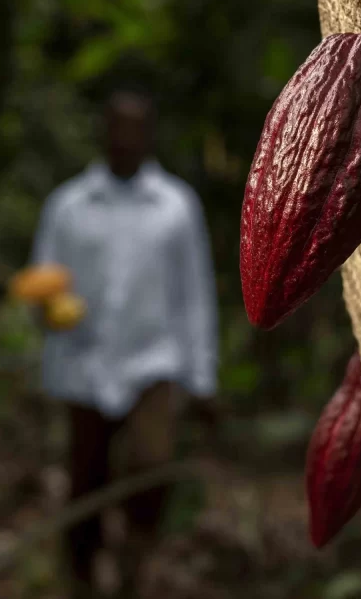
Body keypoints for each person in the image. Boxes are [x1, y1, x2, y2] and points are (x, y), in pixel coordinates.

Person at [29, 89, 219, 598]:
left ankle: (134, 572)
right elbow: (44, 284)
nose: (126, 139)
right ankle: (82, 578)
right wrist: (50, 309)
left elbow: (194, 294)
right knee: (84, 481)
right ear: (104, 132)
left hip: (153, 366)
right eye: (118, 127)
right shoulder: (68, 206)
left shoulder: (177, 206)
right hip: (83, 367)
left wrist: (201, 378)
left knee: (149, 476)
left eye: (137, 129)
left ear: (150, 136)